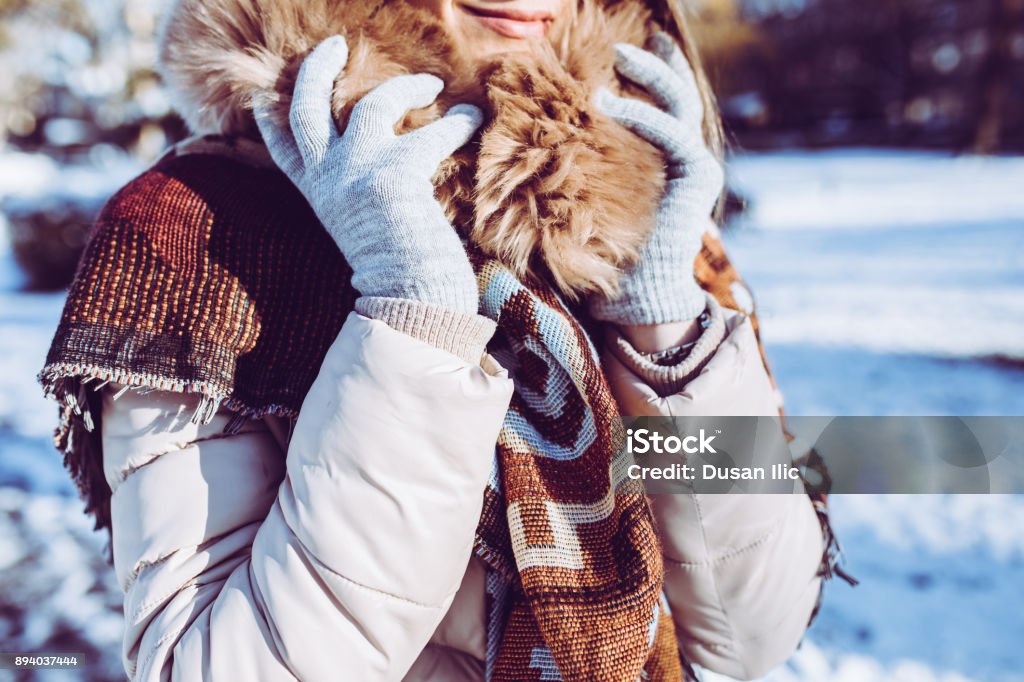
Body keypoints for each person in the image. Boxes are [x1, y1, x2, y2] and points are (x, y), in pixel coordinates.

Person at [39, 0, 842, 679]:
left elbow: (752, 637)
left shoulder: (649, 208)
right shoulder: (201, 228)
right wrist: (411, 318)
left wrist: (665, 330)